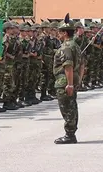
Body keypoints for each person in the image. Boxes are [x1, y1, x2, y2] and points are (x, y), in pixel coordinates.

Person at [53, 14, 85, 144]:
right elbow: (82, 64)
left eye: (60, 32)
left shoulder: (66, 47)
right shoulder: (75, 46)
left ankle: (70, 134)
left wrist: (70, 84)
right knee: (72, 106)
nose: (58, 34)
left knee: (67, 108)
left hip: (64, 82)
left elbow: (68, 66)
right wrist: (79, 80)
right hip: (72, 80)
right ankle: (71, 133)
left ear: (65, 33)